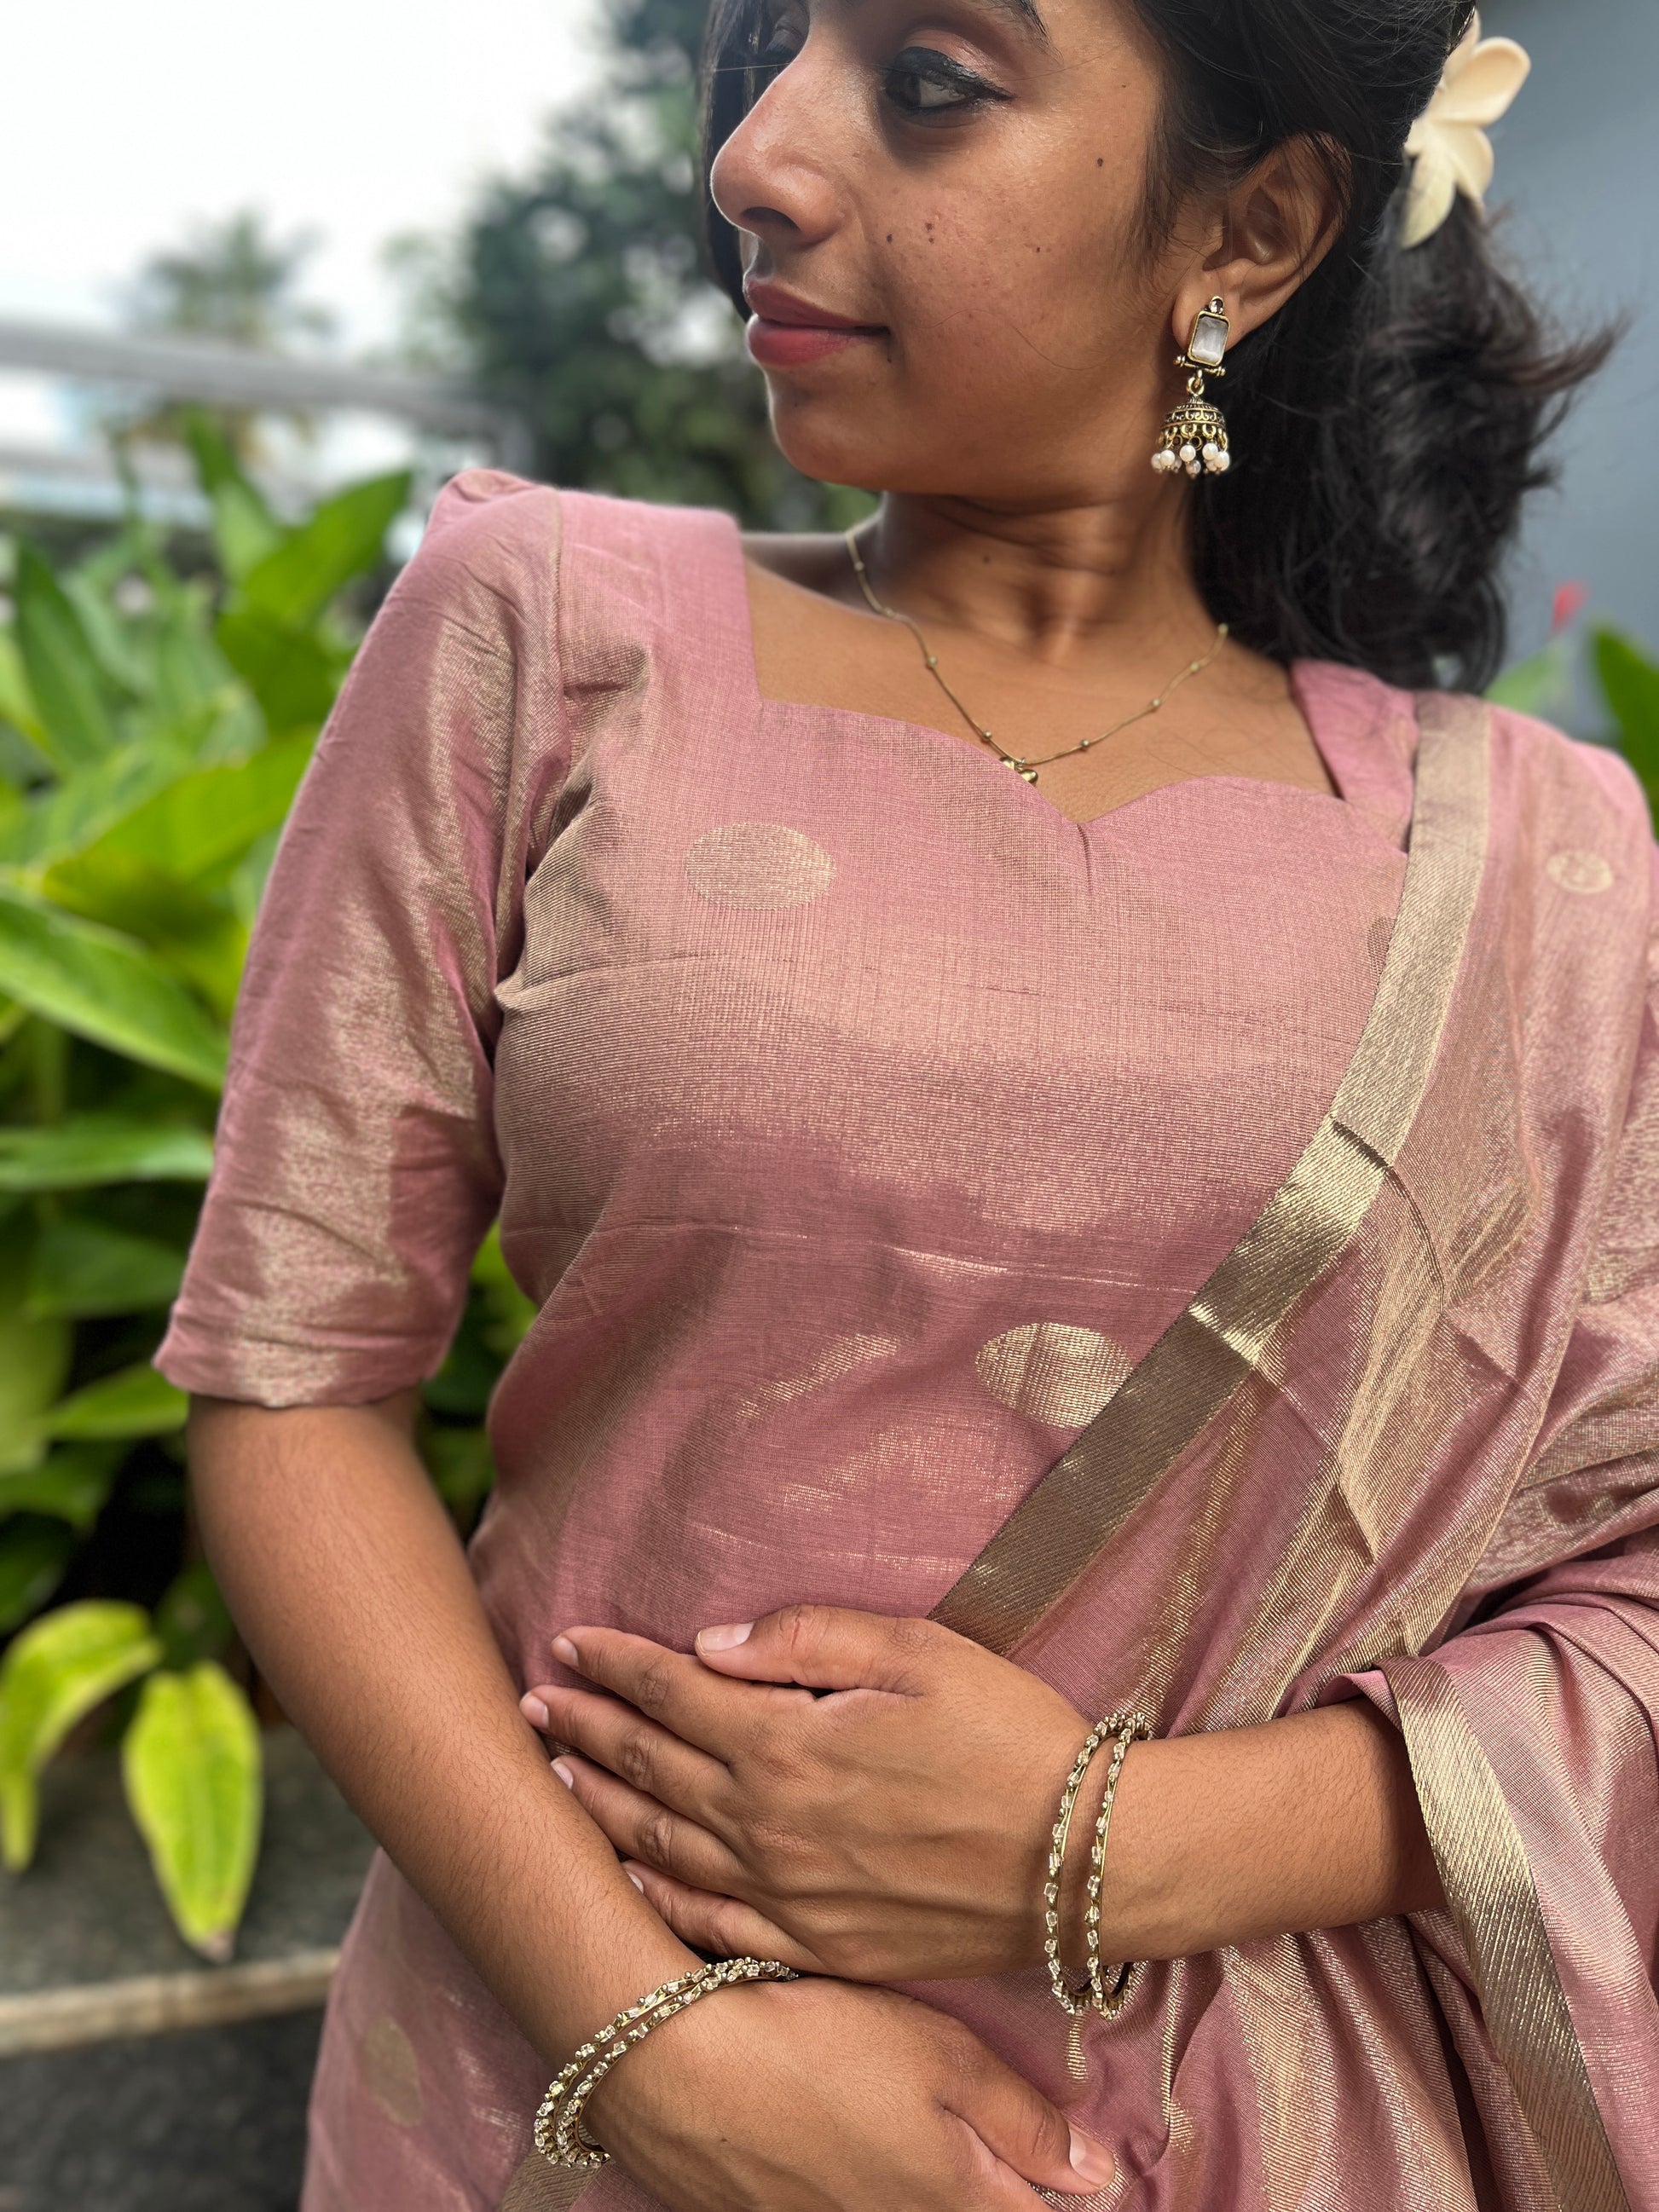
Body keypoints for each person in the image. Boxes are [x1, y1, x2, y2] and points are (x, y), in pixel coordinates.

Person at [158, 0, 1659, 2205]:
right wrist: (660, 2050)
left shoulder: (1537, 866)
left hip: (1241, 2132)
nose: (751, 159)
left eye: (927, 79)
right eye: (768, 55)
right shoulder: (545, 633)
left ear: (1249, 228)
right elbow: (290, 1383)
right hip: (552, 2095)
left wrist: (1118, 1844)